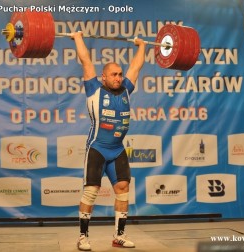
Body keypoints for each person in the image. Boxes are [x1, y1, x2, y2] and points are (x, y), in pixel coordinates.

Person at [70, 31, 146, 251]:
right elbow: (85, 61)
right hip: (97, 149)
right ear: (104, 77)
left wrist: (141, 45)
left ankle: (119, 236)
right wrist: (77, 38)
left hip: (117, 150)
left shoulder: (126, 90)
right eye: (114, 74)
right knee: (91, 190)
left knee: (123, 187)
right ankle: (83, 237)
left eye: (120, 74)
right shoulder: (94, 89)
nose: (118, 77)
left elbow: (136, 66)